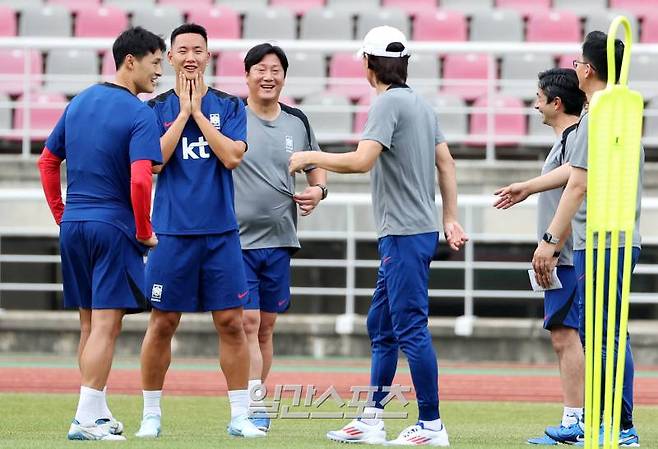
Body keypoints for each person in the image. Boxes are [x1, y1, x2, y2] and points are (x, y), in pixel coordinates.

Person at [289, 26, 468, 446]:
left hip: (404, 234)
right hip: (410, 232)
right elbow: (446, 164)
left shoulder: (387, 104)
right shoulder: (420, 105)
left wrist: (311, 157)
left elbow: (363, 160)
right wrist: (451, 217)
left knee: (409, 329)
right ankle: (372, 416)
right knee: (382, 326)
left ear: (369, 64)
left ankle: (430, 425)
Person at [496, 32, 643, 447]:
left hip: (601, 239)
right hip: (616, 236)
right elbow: (574, 171)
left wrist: (549, 239)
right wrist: (530, 185)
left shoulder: (599, 116)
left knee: (604, 336)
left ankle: (617, 427)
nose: (574, 67)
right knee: (609, 334)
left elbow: (578, 184)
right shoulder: (618, 111)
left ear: (589, 69)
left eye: (579, 62)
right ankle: (611, 425)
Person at [135, 23, 265, 439]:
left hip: (221, 233)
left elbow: (231, 157)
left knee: (231, 321)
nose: (190, 56)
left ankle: (239, 415)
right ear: (170, 58)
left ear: (208, 57)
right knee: (162, 322)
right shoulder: (153, 109)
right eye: (182, 50)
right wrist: (183, 113)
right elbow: (155, 162)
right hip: (171, 233)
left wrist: (199, 115)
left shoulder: (230, 106)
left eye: (198, 49)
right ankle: (151, 415)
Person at [37, 27, 165, 441]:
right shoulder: (139, 113)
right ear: (132, 61)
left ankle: (98, 410)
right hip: (113, 226)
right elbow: (142, 181)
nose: (159, 71)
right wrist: (144, 231)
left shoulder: (78, 103)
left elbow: (47, 161)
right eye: (156, 62)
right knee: (107, 327)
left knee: (89, 326)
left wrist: (62, 214)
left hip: (75, 224)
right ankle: (85, 419)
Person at [233, 43, 327, 433]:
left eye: (275, 70)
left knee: (266, 325)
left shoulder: (297, 121)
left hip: (280, 239)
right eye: (260, 69)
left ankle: (257, 396)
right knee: (248, 321)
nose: (268, 76)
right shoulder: (231, 116)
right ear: (248, 75)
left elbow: (316, 168)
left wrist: (318, 192)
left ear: (284, 77)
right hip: (236, 241)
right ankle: (251, 404)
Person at [494, 68, 587, 445]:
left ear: (556, 102)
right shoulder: (566, 140)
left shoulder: (575, 139)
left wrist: (551, 244)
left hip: (565, 252)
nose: (534, 103)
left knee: (567, 336)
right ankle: (576, 420)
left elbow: (576, 190)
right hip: (562, 251)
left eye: (538, 96)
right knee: (564, 335)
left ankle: (577, 421)